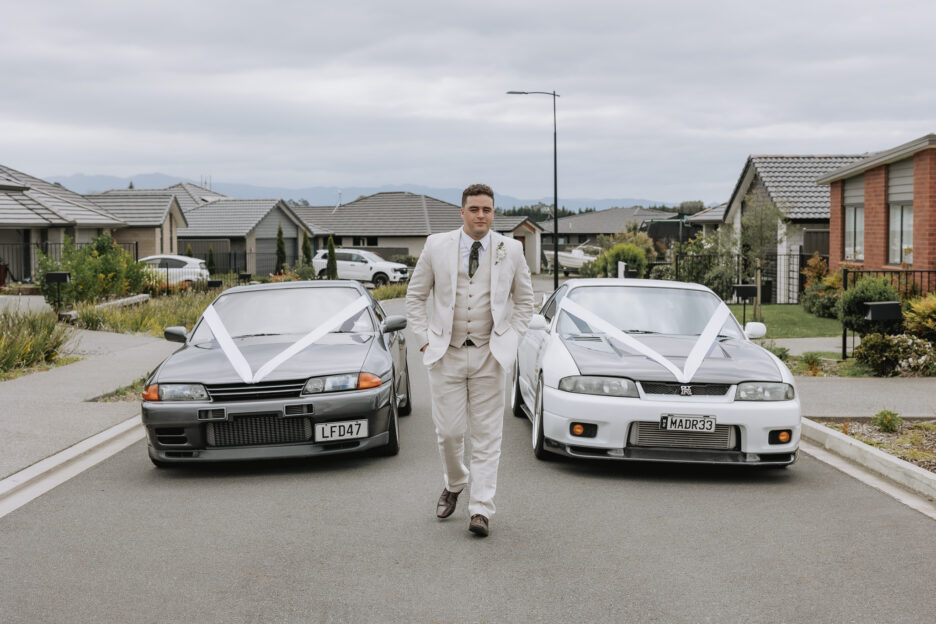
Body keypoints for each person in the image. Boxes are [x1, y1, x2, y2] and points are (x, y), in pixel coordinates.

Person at [405, 183, 534, 537]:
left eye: (487, 210)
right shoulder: (436, 246)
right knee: (448, 433)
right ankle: (456, 480)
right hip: (445, 353)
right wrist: (423, 341)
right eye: (474, 209)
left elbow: (526, 302)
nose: (481, 215)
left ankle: (481, 509)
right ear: (462, 212)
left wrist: (511, 338)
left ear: (494, 213)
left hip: (489, 355)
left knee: (488, 436)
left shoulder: (512, 249)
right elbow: (415, 298)